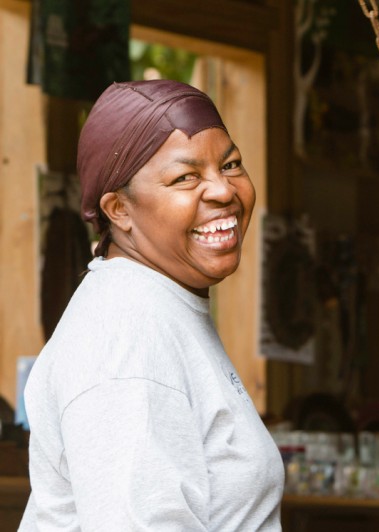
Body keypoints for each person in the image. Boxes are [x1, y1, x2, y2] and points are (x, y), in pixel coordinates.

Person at [20, 79, 284, 531]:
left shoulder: (160, 305)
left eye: (231, 164)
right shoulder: (124, 333)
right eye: (186, 177)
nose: (224, 191)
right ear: (119, 210)